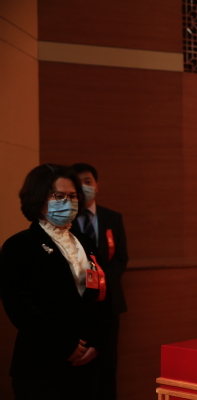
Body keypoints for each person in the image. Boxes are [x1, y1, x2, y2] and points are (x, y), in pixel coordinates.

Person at [0, 164, 109, 400]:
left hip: (85, 364)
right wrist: (64, 345)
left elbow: (100, 296)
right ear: (38, 197)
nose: (68, 202)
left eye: (73, 196)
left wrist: (96, 342)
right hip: (41, 364)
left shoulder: (85, 242)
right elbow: (19, 308)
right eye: (59, 196)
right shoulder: (19, 245)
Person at [71, 163, 129, 400]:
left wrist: (101, 282)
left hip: (110, 301)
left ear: (96, 185)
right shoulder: (66, 219)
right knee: (80, 364)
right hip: (77, 303)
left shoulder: (112, 217)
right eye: (79, 183)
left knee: (107, 363)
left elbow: (121, 257)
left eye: (88, 181)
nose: (84, 187)